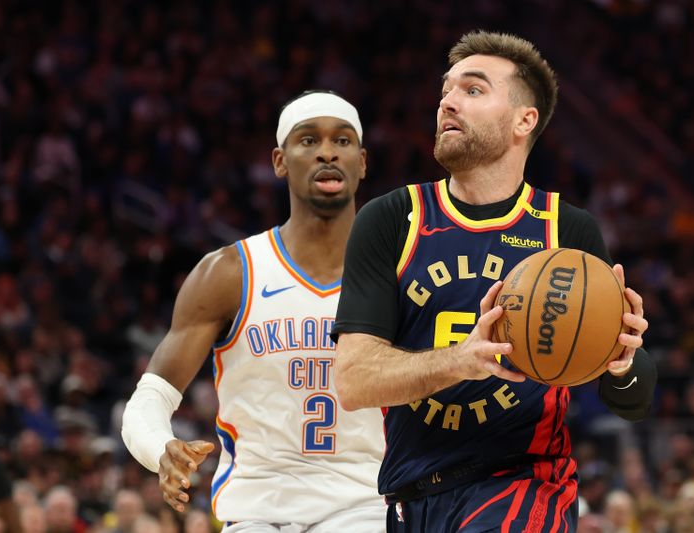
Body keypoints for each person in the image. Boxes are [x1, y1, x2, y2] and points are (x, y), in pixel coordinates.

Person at [333, 31, 657, 532]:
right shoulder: (392, 219)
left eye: (473, 89)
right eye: (446, 90)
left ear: (524, 121)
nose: (448, 102)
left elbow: (632, 401)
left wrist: (622, 362)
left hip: (525, 487)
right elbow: (354, 381)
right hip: (410, 498)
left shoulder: (566, 231)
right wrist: (463, 360)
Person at [121, 90, 386, 532]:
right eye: (308, 140)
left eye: (342, 141)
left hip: (364, 506)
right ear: (280, 161)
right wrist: (160, 447)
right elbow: (148, 400)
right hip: (256, 511)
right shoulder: (229, 273)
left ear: (362, 161)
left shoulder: (400, 274)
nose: (326, 152)